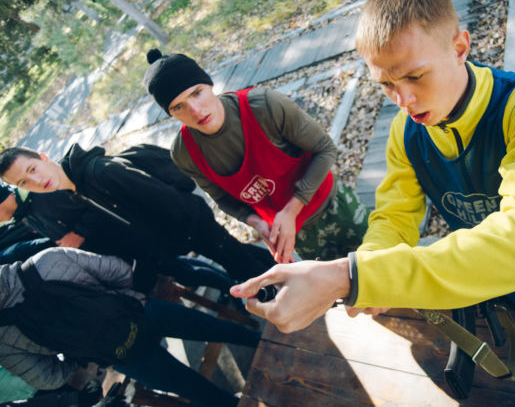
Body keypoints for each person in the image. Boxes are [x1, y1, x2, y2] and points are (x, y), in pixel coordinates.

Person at [230, 0, 515, 333]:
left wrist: (349, 275)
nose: (403, 99)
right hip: (493, 285)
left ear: (460, 47)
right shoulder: (406, 133)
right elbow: (394, 219)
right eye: (386, 85)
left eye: (414, 75)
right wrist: (372, 265)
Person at [142, 49, 369, 264]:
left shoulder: (264, 106)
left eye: (197, 93)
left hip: (331, 205)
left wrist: (291, 210)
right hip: (291, 234)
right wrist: (257, 223)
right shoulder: (185, 154)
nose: (195, 110)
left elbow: (325, 148)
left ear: (210, 85)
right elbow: (221, 197)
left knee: (383, 260)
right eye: (178, 106)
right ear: (171, 114)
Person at [0, 246, 257, 407]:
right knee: (216, 329)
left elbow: (47, 377)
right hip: (141, 311)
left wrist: (79, 354)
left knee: (196, 391)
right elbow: (119, 271)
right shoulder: (47, 261)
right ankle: (267, 340)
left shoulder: (3, 338)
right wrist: (116, 301)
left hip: (120, 356)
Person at [0, 145, 275, 289]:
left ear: (44, 157)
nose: (36, 181)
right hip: (182, 236)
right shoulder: (76, 190)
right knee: (242, 258)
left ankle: (299, 294)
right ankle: (292, 271)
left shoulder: (100, 172)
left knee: (244, 269)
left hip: (193, 226)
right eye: (24, 182)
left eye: (33, 169)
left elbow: (166, 200)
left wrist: (182, 238)